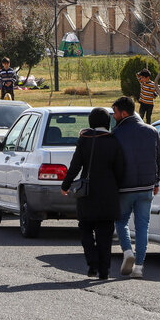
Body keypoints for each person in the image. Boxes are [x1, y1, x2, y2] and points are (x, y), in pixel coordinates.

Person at [61, 108, 125, 280]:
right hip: (108, 194)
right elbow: (120, 170)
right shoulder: (114, 141)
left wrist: (65, 185)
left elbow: (75, 165)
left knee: (85, 229)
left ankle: (92, 263)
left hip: (87, 194)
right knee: (105, 234)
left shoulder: (85, 140)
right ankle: (104, 271)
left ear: (91, 122)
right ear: (107, 122)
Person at [111, 96, 160, 279]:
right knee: (143, 227)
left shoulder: (116, 134)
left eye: (115, 112)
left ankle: (127, 251)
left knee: (121, 221)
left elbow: (113, 162)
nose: (114, 115)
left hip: (125, 188)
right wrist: (156, 182)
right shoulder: (152, 131)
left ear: (124, 113)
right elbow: (158, 159)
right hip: (147, 187)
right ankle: (139, 267)